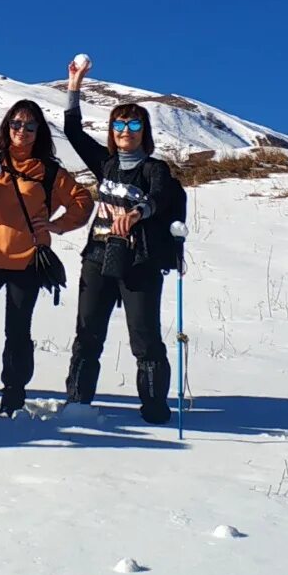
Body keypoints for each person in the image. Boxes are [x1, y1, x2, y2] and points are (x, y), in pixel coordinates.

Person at [0, 102, 93, 413]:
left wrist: (56, 225)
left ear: (39, 131)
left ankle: (13, 395)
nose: (21, 131)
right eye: (16, 124)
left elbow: (82, 201)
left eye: (30, 126)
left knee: (18, 330)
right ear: (6, 127)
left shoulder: (49, 172)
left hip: (26, 261)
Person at [62, 57, 186, 424]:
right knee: (87, 335)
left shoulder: (154, 168)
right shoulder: (105, 163)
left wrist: (137, 213)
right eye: (119, 124)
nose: (125, 130)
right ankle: (78, 402)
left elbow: (161, 196)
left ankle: (154, 408)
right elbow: (72, 131)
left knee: (144, 339)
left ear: (143, 131)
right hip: (97, 257)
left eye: (133, 124)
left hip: (140, 262)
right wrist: (74, 84)